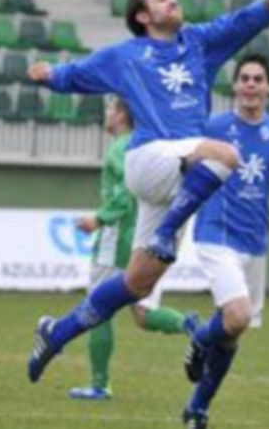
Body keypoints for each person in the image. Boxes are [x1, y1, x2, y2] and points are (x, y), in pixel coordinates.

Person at [26, 0, 269, 384]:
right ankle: (166, 231)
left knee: (137, 284)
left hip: (178, 177)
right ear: (142, 17)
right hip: (149, 160)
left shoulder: (198, 44)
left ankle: (57, 330)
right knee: (226, 154)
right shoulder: (125, 56)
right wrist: (49, 76)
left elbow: (238, 24)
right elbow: (76, 75)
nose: (171, 0)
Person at [176, 53, 269, 428]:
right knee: (238, 315)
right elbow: (181, 160)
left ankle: (197, 409)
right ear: (236, 86)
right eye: (244, 78)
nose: (250, 84)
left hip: (255, 242)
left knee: (233, 332)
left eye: (257, 79)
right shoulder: (214, 126)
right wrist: (188, 160)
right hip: (216, 234)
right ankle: (198, 336)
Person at [70, 96, 197, 401]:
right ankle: (190, 326)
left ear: (122, 116)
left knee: (96, 308)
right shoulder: (146, 148)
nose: (107, 114)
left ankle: (100, 385)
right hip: (147, 242)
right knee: (142, 313)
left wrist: (97, 218)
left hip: (116, 241)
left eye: (111, 109)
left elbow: (125, 195)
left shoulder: (119, 148)